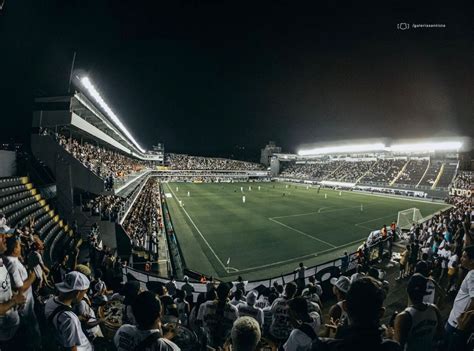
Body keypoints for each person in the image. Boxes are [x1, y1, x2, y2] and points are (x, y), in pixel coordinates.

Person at [316, 277, 401, 351]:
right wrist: (390, 338)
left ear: (345, 306)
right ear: (381, 313)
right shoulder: (393, 347)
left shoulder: (321, 346)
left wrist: (338, 337)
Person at [114, 290, 180, 351]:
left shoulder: (122, 330)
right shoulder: (170, 348)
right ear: (160, 314)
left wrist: (163, 338)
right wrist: (164, 339)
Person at [44, 271, 94, 350]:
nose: (84, 295)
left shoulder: (50, 300)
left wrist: (79, 318)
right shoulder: (70, 319)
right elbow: (71, 348)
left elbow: (60, 321)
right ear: (77, 293)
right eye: (84, 292)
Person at [393, 274, 443, 351]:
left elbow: (397, 347)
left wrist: (390, 335)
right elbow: (440, 335)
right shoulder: (434, 309)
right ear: (424, 292)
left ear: (407, 290)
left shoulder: (403, 317)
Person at [0, 232, 26, 350]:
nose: (4, 237)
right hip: (5, 333)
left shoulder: (1, 260)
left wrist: (14, 296)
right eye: (0, 236)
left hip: (11, 323)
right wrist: (14, 301)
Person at [445, 245, 474, 348]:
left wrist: (464, 320)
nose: (461, 258)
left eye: (465, 257)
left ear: (472, 260)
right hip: (457, 321)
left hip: (456, 323)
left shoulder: (472, 275)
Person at [197, 282, 238, 349]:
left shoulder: (204, 305)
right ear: (228, 294)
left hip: (208, 345)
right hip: (224, 346)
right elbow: (235, 330)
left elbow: (199, 325)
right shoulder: (234, 310)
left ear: (216, 292)